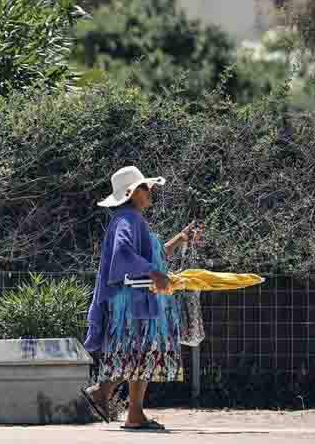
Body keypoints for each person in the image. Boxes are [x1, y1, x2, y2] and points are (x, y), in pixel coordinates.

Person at [81, 165, 202, 432]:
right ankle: (114, 400)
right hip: (134, 301)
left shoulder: (132, 219)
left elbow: (153, 255)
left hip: (138, 299)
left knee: (140, 352)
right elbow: (123, 255)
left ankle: (114, 401)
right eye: (146, 187)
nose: (151, 191)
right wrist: (153, 272)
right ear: (132, 192)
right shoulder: (128, 219)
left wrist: (179, 240)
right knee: (141, 350)